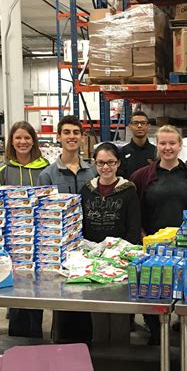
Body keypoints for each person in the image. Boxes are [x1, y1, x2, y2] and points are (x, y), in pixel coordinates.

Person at [131, 125, 187, 344]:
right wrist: (142, 237)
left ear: (180, 145)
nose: (167, 148)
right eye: (163, 143)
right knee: (153, 290)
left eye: (172, 143)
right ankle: (156, 335)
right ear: (157, 146)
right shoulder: (142, 176)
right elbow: (135, 210)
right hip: (154, 249)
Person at [38, 115, 96, 342]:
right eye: (67, 132)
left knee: (86, 295)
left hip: (87, 243)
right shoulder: (48, 175)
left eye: (75, 133)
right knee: (62, 298)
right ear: (59, 137)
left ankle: (86, 344)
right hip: (60, 245)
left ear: (82, 138)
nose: (71, 137)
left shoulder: (92, 172)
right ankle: (61, 344)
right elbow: (44, 213)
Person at [0, 121, 49, 338]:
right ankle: (16, 340)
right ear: (11, 142)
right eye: (18, 138)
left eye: (27, 137)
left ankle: (35, 335)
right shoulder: (0, 171)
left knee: (37, 288)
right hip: (10, 241)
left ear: (33, 140)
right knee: (14, 290)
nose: (22, 142)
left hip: (40, 240)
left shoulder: (45, 168)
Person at [81, 142, 141, 342]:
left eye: (110, 162)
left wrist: (123, 257)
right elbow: (81, 224)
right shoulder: (87, 190)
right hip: (93, 261)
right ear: (94, 164)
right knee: (96, 311)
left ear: (118, 164)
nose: (105, 167)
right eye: (100, 163)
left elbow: (133, 228)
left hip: (119, 260)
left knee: (118, 312)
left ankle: (120, 354)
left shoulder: (128, 190)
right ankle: (99, 354)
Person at [118, 110, 156, 179]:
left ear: (148, 126)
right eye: (135, 123)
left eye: (143, 123)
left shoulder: (156, 152)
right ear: (130, 126)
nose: (139, 126)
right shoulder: (122, 153)